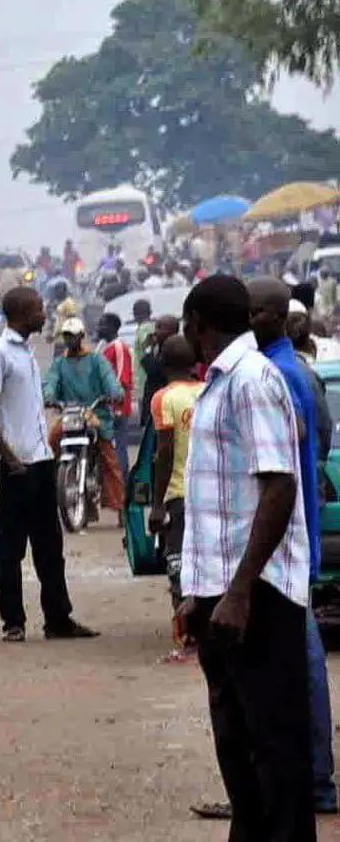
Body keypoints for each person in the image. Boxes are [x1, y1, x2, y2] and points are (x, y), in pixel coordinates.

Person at [174, 275, 313, 840]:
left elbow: (278, 488)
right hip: (219, 594)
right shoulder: (217, 384)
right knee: (236, 741)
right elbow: (212, 500)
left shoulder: (254, 381)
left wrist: (238, 591)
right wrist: (196, 593)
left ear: (198, 325)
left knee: (273, 745)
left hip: (257, 596)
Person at [246, 279, 337, 817]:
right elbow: (316, 440)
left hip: (284, 539)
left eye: (253, 311)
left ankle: (312, 786)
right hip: (293, 534)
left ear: (275, 316)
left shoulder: (277, 374)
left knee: (296, 665)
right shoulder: (292, 372)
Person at [0, 286, 99, 643]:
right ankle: (13, 621)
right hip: (18, 467)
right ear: (24, 313)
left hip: (42, 461)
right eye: (40, 310)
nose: (45, 315)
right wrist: (11, 460)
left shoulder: (26, 352)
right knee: (11, 548)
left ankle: (58, 619)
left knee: (50, 547)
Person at [43, 318, 126, 518]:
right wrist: (49, 397)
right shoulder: (60, 363)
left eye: (74, 336)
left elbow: (110, 381)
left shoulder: (97, 360)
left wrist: (115, 393)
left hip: (96, 414)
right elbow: (51, 383)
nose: (70, 340)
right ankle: (49, 491)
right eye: (67, 336)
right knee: (50, 443)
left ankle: (121, 504)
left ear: (81, 337)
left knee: (109, 458)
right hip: (71, 415)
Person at [149, 336, 203, 611]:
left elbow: (165, 452)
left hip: (179, 494)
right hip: (212, 493)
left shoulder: (163, 398)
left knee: (178, 562)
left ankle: (186, 632)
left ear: (163, 363)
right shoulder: (209, 390)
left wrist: (157, 505)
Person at [93, 313, 136, 472]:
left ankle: (121, 485)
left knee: (118, 448)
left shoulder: (118, 347)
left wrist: (114, 405)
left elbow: (121, 378)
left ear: (112, 327)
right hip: (107, 407)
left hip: (116, 407)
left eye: (102, 324)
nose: (98, 328)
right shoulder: (106, 348)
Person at [138, 315, 181, 424]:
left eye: (160, 328)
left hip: (167, 405)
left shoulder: (175, 350)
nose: (155, 332)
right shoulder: (157, 349)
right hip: (153, 402)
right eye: (156, 327)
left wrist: (149, 350)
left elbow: (153, 369)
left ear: (172, 331)